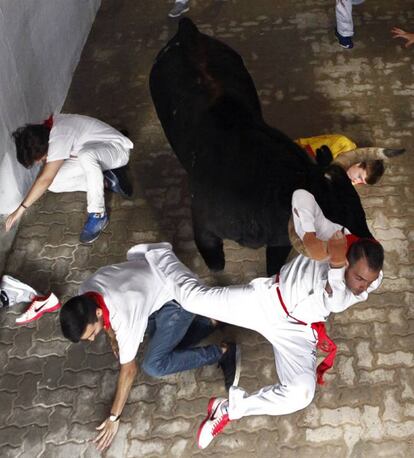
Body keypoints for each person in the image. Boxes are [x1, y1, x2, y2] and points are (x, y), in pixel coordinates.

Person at [144, 236, 384, 449]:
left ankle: (227, 409)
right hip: (267, 301)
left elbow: (335, 298)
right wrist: (317, 235)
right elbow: (302, 202)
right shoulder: (333, 233)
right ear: (348, 259)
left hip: (298, 330)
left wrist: (335, 261)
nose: (363, 286)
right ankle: (159, 253)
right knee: (191, 299)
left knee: (301, 393)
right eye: (360, 278)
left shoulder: (366, 282)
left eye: (368, 281)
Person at [59, 242, 240, 451]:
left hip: (176, 295)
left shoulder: (123, 314)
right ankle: (213, 320)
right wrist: (112, 338)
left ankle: (223, 352)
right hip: (155, 285)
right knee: (161, 344)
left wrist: (113, 417)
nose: (91, 340)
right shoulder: (86, 291)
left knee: (154, 364)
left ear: (97, 313)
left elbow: (129, 370)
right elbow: (108, 323)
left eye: (91, 334)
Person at [5, 114, 134, 243]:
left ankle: (98, 214)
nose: (40, 162)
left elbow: (45, 179)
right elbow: (47, 179)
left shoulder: (60, 136)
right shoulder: (45, 132)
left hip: (118, 151)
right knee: (54, 183)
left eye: (40, 159)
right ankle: (107, 180)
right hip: (96, 152)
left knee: (84, 156)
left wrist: (19, 211)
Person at [295, 133, 384, 185]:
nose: (356, 182)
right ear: (358, 162)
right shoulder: (341, 143)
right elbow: (306, 154)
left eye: (361, 181)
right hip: (297, 155)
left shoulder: (350, 178)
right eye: (359, 177)